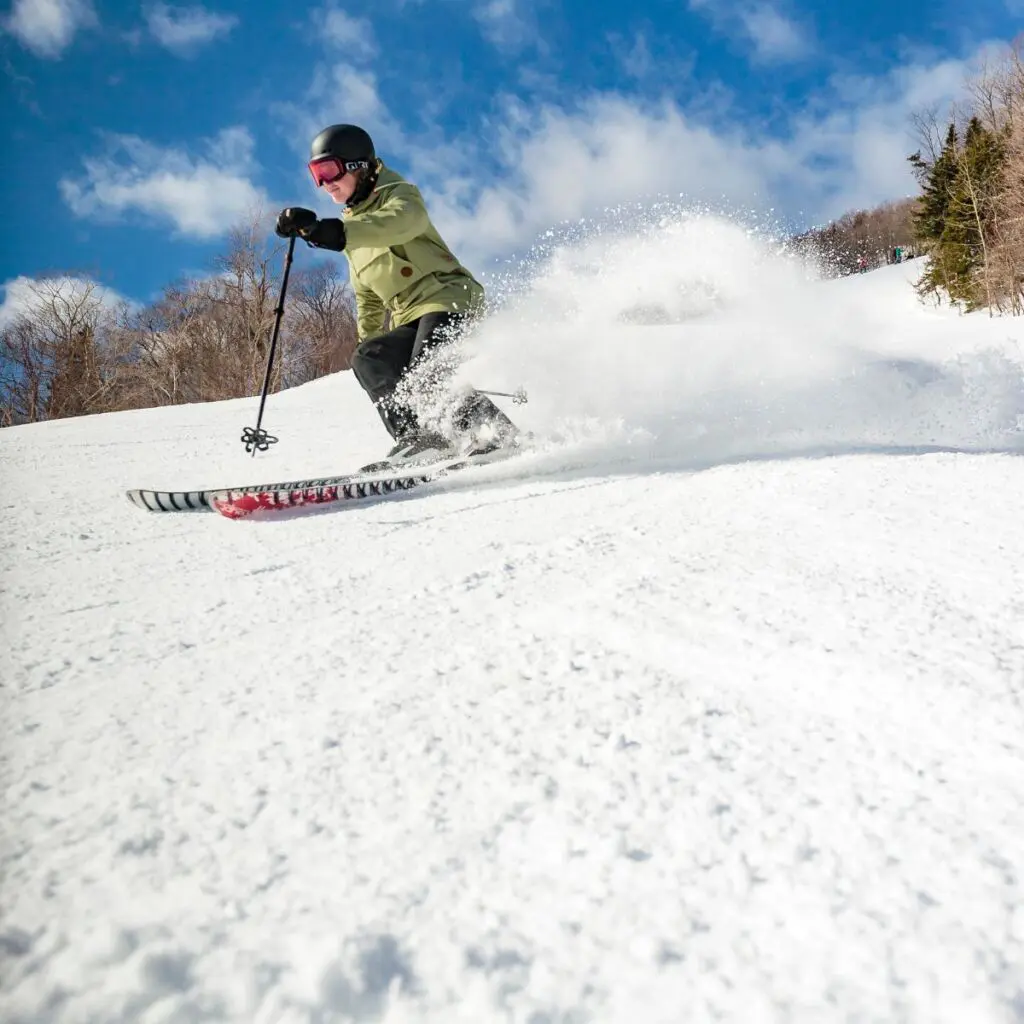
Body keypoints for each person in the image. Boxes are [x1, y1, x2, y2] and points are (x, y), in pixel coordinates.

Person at [275, 123, 517, 468]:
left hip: (449, 297)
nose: (325, 183)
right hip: (408, 316)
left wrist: (335, 232)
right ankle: (422, 439)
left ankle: (498, 436)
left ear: (357, 165)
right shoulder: (352, 228)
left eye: (329, 170)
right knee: (368, 358)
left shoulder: (399, 194)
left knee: (429, 370)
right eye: (316, 174)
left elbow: (403, 223)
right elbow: (367, 296)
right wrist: (373, 353)